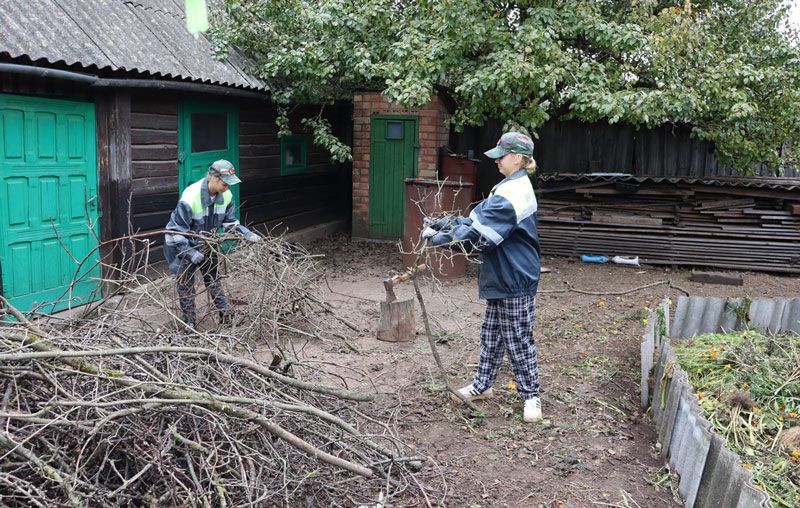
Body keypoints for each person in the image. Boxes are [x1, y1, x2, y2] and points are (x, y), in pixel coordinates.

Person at [422, 132, 542, 423]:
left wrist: (439, 238)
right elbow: (478, 219)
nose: (497, 160)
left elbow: (478, 238)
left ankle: (531, 397)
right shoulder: (508, 186)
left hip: (514, 275)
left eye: (502, 155)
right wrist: (448, 223)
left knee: (517, 339)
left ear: (518, 158)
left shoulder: (511, 194)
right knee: (492, 335)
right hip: (504, 273)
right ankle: (482, 385)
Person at [164, 160, 261, 329]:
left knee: (213, 278)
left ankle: (225, 315)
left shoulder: (227, 196)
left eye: (230, 184)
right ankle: (189, 322)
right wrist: (191, 253)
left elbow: (230, 224)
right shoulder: (191, 196)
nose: (227, 187)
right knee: (186, 284)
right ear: (213, 177)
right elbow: (177, 231)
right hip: (180, 244)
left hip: (207, 242)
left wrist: (247, 234)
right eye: (225, 183)